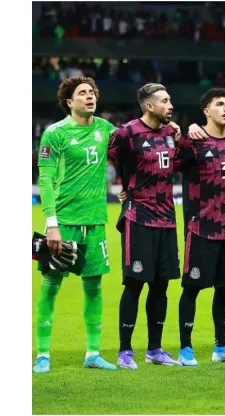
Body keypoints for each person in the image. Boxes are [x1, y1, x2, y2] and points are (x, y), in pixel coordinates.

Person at [34, 76, 119, 373]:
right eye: (82, 93)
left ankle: (93, 353)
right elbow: (44, 179)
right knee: (50, 286)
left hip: (95, 223)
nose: (90, 96)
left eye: (92, 92)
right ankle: (43, 354)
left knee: (94, 288)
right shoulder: (55, 134)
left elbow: (137, 149)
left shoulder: (107, 130)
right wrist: (52, 224)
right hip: (64, 223)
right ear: (69, 101)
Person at [109, 83, 182, 368]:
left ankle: (155, 349)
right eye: (165, 101)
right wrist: (123, 186)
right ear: (149, 106)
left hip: (166, 218)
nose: (171, 105)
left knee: (161, 286)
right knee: (135, 284)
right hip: (138, 216)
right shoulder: (127, 132)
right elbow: (110, 155)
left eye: (170, 99)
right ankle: (125, 351)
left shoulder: (170, 133)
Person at [176, 88, 225, 365]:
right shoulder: (192, 142)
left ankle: (221, 347)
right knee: (192, 288)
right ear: (206, 111)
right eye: (220, 104)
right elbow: (165, 166)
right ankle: (185, 349)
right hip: (201, 228)